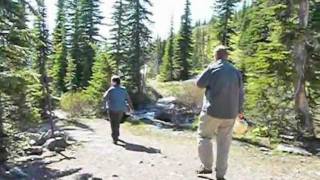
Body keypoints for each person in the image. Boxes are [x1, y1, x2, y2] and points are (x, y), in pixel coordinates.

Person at [195, 45, 244, 180]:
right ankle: (221, 174)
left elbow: (199, 84)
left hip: (212, 111)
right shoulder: (236, 71)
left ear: (216, 56)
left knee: (204, 137)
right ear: (227, 56)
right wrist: (240, 111)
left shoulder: (212, 68)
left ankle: (207, 166)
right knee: (224, 144)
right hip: (230, 114)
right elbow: (241, 93)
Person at [103, 76, 134, 145]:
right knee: (117, 123)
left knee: (113, 123)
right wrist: (131, 108)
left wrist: (104, 108)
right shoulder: (124, 89)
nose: (111, 82)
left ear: (114, 82)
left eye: (111, 81)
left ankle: (115, 138)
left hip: (112, 109)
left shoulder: (111, 90)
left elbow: (104, 98)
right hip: (121, 109)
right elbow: (128, 99)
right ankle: (116, 135)